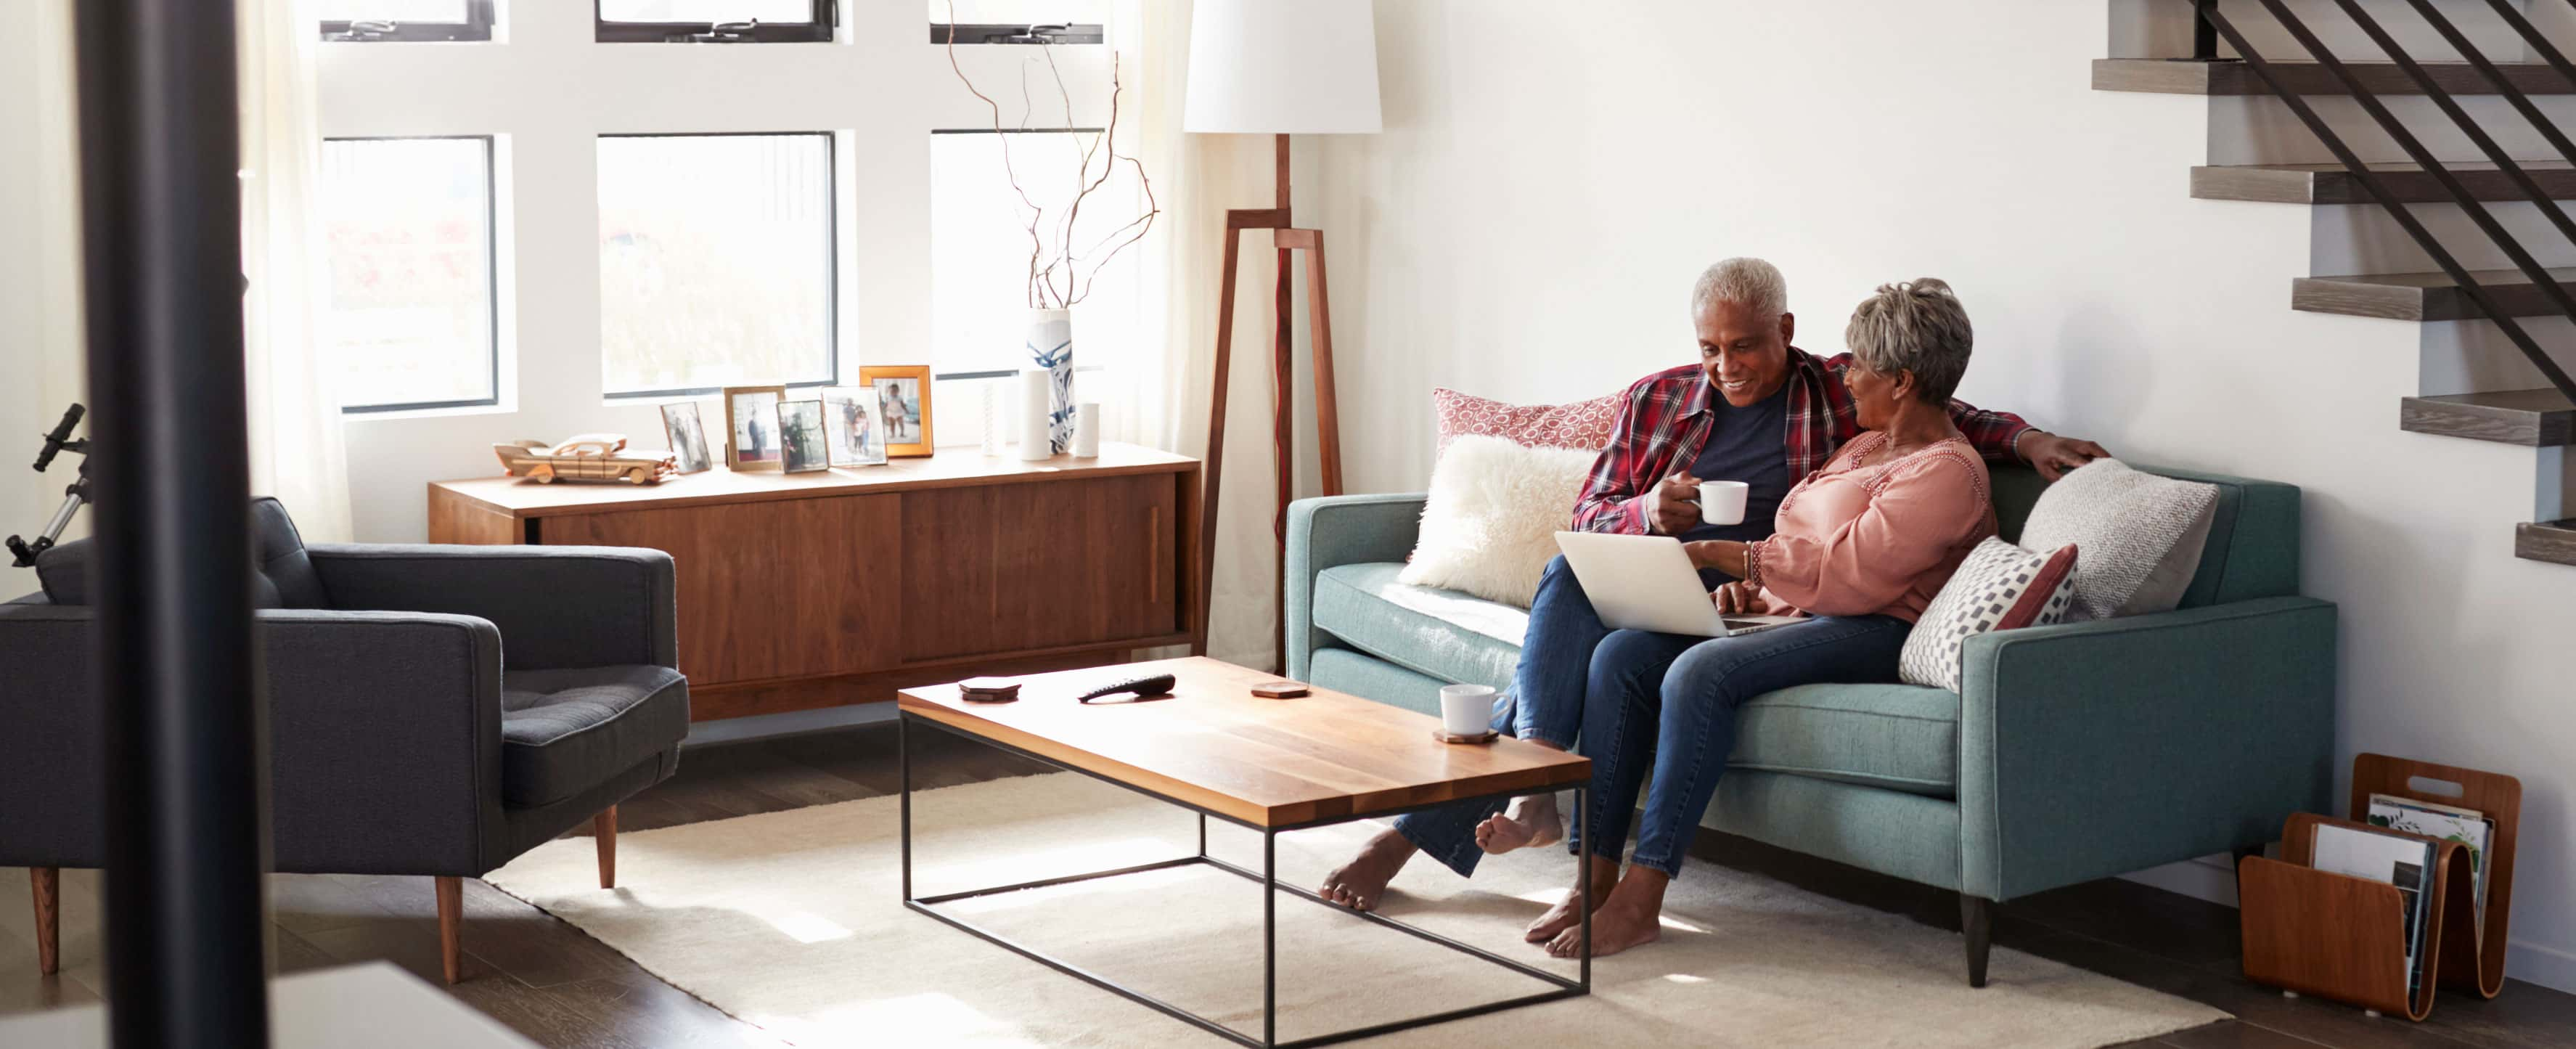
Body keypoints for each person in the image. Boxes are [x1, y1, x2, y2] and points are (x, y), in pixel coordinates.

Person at [1316, 258, 2110, 920]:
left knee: (1592, 667)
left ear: (1787, 333)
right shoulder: (1661, 399)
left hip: (1752, 580)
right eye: (1710, 347)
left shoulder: (1837, 393)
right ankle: (1545, 784)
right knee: (1567, 575)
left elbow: (1941, 406)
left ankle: (1470, 817)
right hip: (1687, 568)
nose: (1726, 365)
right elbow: (1589, 512)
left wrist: (2029, 437)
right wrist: (1644, 511)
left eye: (1744, 347)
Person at [1537, 277, 2000, 957]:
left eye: (1862, 367)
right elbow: (1811, 549)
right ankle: (1594, 873)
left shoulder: (1948, 472)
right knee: (1623, 655)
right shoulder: (1867, 447)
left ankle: (1644, 894)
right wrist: (1756, 596)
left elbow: (1852, 572)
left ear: (1901, 381)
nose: (1848, 380)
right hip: (1811, 614)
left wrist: (1724, 558)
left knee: (1699, 672)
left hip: (1877, 629)